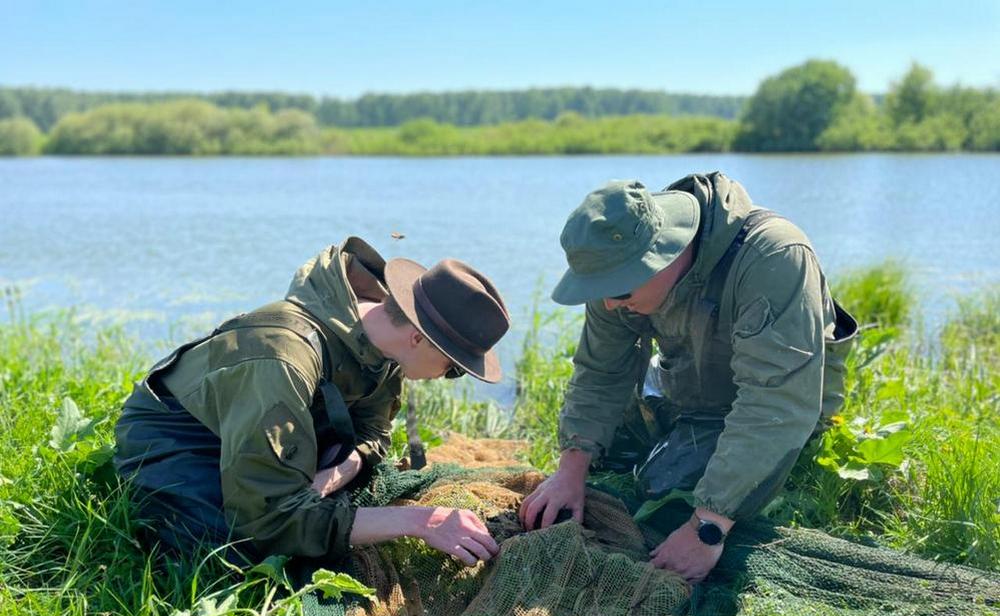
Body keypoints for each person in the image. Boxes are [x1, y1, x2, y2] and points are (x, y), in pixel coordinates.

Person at [519, 172, 857, 583]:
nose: (608, 303)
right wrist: (570, 470)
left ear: (663, 253)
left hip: (777, 405)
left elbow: (776, 403)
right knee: (602, 451)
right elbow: (601, 370)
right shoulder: (615, 271)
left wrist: (707, 527)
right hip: (691, 386)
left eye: (619, 292)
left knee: (665, 486)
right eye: (600, 289)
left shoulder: (774, 256)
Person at [115, 237, 508, 567]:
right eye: (454, 365)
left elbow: (372, 431)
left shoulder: (385, 347)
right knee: (241, 552)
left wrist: (332, 475)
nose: (449, 376)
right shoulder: (284, 359)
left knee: (324, 514)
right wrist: (422, 522)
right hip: (180, 442)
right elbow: (269, 520)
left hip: (258, 427)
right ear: (418, 337)